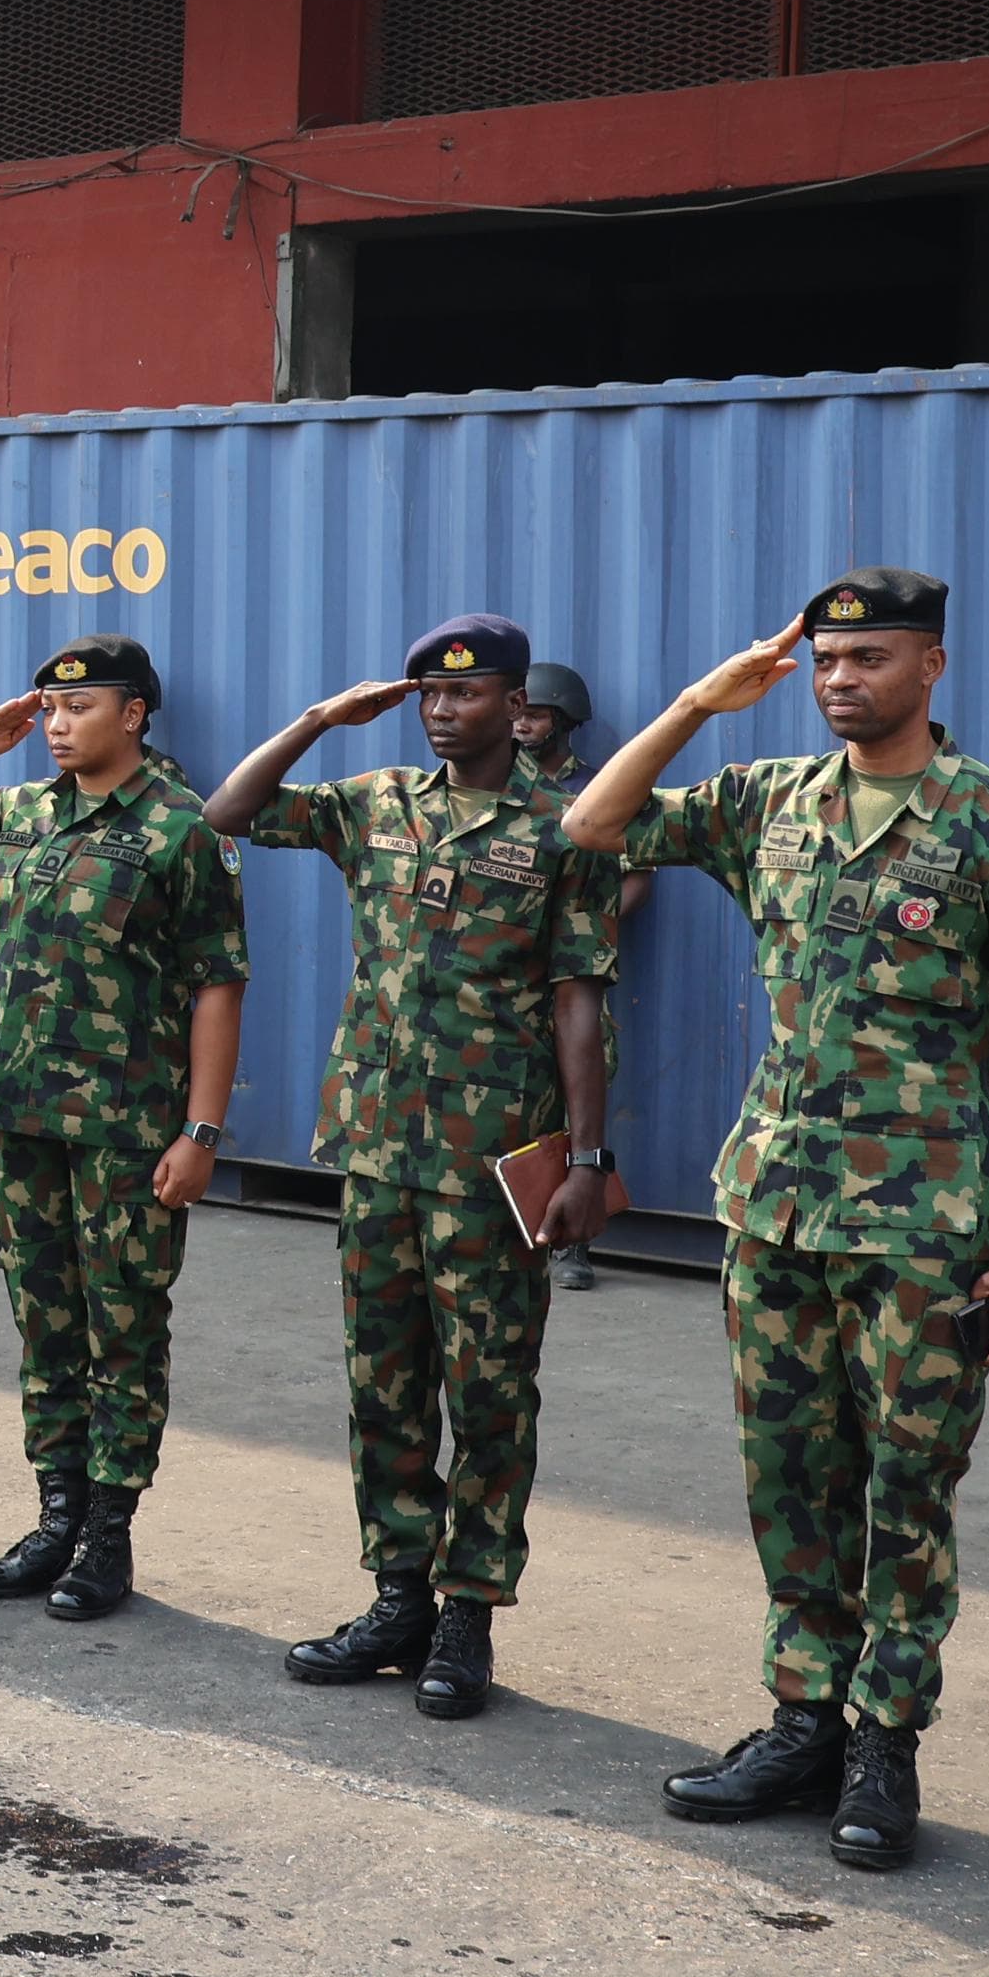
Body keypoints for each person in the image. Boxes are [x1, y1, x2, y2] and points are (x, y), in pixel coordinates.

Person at [565, 570, 989, 1874]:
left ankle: (883, 1743)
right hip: (779, 1200)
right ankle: (802, 1718)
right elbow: (591, 822)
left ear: (934, 666)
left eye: (871, 655)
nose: (842, 676)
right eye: (828, 658)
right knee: (789, 1474)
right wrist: (698, 700)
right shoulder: (767, 802)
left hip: (925, 1218)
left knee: (906, 1487)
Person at [205, 615, 622, 1719]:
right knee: (381, 1383)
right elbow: (225, 813)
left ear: (509, 699)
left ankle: (465, 1613)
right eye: (427, 696)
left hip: (492, 1156)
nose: (442, 711)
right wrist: (311, 722)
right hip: (377, 1148)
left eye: (467, 694)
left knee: (487, 1392)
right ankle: (395, 1592)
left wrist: (583, 1158)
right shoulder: (377, 800)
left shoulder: (563, 823)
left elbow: (578, 998)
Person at [0, 634, 248, 1622]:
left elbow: (216, 987)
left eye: (78, 708)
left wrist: (202, 1130)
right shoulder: (24, 812)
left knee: (122, 1330)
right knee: (42, 1321)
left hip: (124, 1129)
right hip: (22, 1120)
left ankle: (105, 1539)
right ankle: (52, 1516)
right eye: (48, 711)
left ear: (132, 714)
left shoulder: (181, 829)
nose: (55, 725)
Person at [515, 659, 651, 1291]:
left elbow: (638, 878)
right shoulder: (494, 783)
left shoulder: (600, 790)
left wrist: (578, 926)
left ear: (565, 722)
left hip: (574, 975)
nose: (522, 724)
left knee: (579, 1101)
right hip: (505, 975)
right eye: (518, 712)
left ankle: (575, 1243)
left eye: (535, 715)